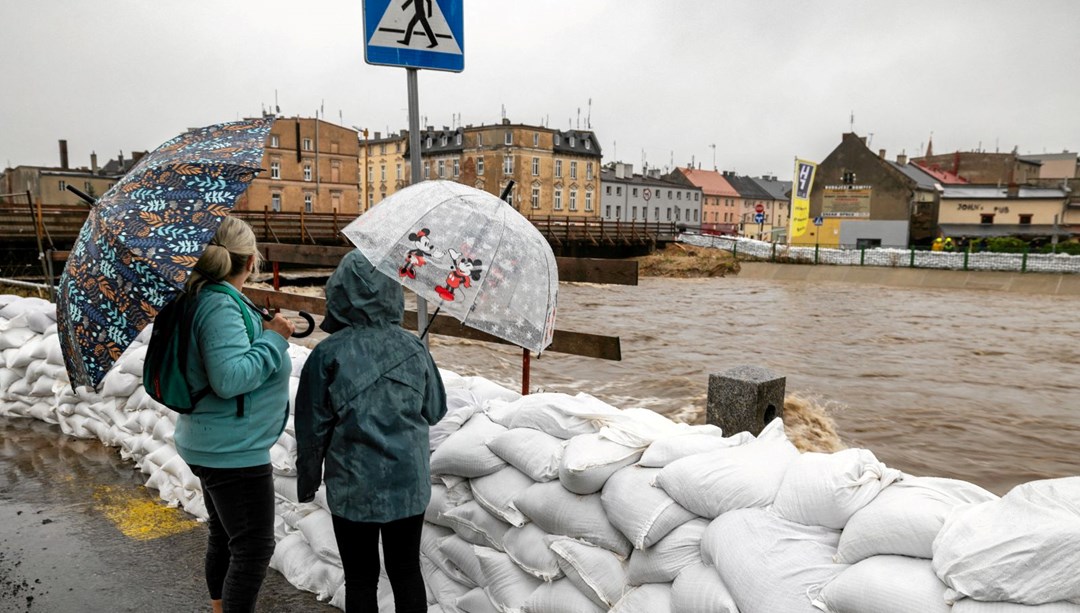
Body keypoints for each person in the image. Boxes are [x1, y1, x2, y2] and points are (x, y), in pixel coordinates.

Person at [295, 250, 447, 613]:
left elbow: (310, 430)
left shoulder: (327, 354)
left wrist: (307, 481)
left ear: (340, 293)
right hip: (408, 485)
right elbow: (436, 409)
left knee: (361, 576)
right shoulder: (413, 347)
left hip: (354, 486)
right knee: (406, 569)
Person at [173, 216, 295, 613]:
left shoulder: (204, 295)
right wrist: (274, 340)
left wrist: (262, 331)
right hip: (232, 450)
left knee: (225, 537)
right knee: (253, 548)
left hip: (212, 440)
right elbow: (229, 378)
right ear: (251, 261)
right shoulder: (218, 304)